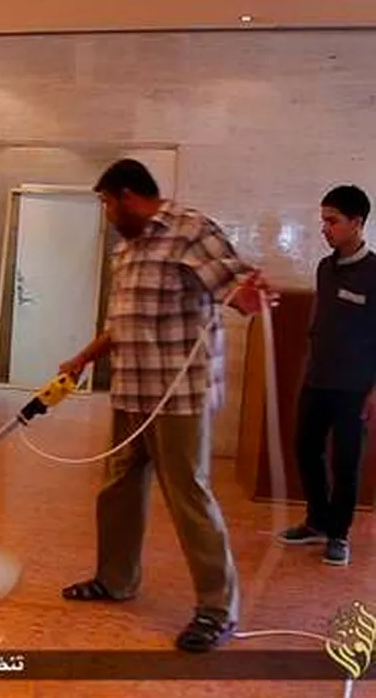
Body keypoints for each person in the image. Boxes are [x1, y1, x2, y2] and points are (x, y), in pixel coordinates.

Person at [57, 158, 275, 653]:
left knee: (188, 496)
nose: (106, 213)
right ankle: (115, 579)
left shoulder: (190, 230)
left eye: (106, 203)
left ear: (127, 195)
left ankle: (217, 610)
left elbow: (236, 287)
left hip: (179, 398)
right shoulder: (126, 250)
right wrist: (82, 358)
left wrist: (251, 295)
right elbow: (122, 323)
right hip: (132, 391)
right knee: (117, 488)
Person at [277, 185, 376, 566]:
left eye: (332, 221)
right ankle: (317, 520)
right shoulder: (325, 267)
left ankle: (339, 533)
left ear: (357, 222)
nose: (325, 228)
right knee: (306, 448)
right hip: (317, 379)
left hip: (354, 387)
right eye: (323, 221)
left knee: (346, 461)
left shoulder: (374, 272)